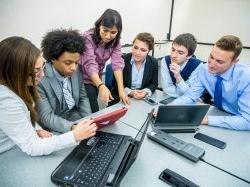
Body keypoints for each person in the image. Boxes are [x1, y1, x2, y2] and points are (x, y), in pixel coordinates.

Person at [0, 36, 97, 156]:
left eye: (43, 67)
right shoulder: (6, 101)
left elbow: (22, 116)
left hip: (19, 144)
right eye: (36, 71)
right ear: (15, 71)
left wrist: (36, 129)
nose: (42, 74)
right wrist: (74, 135)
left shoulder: (18, 86)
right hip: (8, 154)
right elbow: (33, 147)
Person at [172, 35, 250, 130]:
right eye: (211, 57)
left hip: (240, 122)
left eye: (219, 61)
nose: (211, 64)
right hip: (219, 113)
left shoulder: (246, 77)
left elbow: (247, 121)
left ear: (234, 62)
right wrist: (168, 109)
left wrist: (205, 119)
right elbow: (190, 96)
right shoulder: (205, 69)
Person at [36, 29, 91, 133]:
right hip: (54, 127)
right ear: (53, 58)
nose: (73, 68)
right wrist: (73, 128)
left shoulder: (77, 70)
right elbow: (47, 117)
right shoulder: (40, 80)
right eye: (68, 62)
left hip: (75, 117)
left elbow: (83, 97)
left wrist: (89, 120)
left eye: (76, 62)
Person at [80, 9, 129, 113]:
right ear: (99, 26)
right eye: (105, 30)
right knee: (92, 109)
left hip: (97, 77)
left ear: (118, 31)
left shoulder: (116, 41)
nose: (108, 36)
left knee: (95, 103)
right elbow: (90, 64)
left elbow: (117, 64)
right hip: (82, 77)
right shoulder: (88, 38)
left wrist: (121, 90)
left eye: (113, 32)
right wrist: (101, 85)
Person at [111, 32, 158, 103]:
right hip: (123, 96)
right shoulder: (122, 60)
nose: (137, 52)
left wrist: (145, 92)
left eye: (143, 50)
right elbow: (115, 83)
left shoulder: (153, 62)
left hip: (142, 98)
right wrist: (130, 92)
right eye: (135, 48)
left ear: (149, 51)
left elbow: (154, 84)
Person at [161, 33, 203, 97]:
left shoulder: (198, 65)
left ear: (189, 56)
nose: (173, 55)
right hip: (169, 98)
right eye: (173, 50)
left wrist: (178, 77)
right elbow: (167, 88)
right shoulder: (165, 60)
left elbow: (190, 93)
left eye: (180, 53)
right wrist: (185, 93)